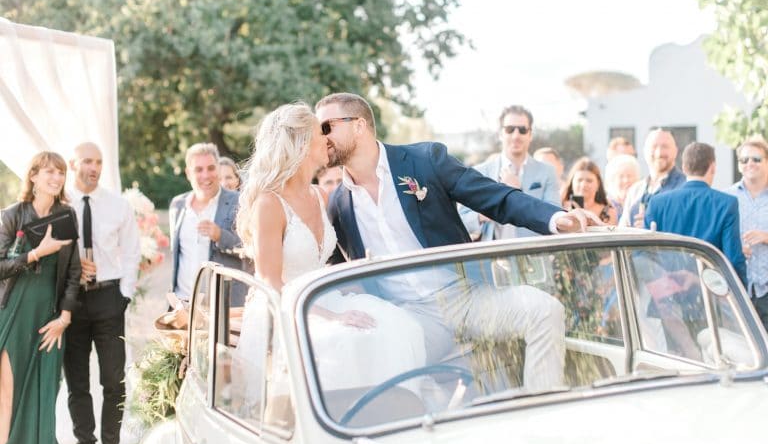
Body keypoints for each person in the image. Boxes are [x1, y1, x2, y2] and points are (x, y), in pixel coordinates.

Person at [318, 92, 601, 391]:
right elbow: (336, 272)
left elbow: (495, 197)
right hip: (408, 317)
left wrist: (555, 219)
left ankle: (541, 412)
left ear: (359, 125)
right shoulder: (338, 203)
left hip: (465, 297)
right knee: (385, 360)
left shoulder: (424, 160)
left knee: (545, 310)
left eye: (326, 127)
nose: (321, 137)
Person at [235, 102, 426, 391]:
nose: (327, 138)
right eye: (320, 131)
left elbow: (329, 263)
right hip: (287, 309)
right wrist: (332, 317)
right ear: (300, 144)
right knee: (342, 340)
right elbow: (271, 283)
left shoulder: (321, 196)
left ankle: (392, 411)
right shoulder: (269, 204)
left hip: (325, 296)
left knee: (399, 325)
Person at [0, 151, 80, 444]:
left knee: (45, 391)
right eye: (49, 172)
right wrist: (36, 253)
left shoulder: (66, 216)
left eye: (61, 173)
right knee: (8, 392)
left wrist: (65, 318)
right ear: (33, 176)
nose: (57, 178)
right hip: (14, 314)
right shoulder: (12, 215)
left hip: (49, 316)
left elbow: (73, 273)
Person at [64, 142, 141, 444]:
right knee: (77, 381)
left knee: (113, 380)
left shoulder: (117, 205)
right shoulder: (60, 204)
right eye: (86, 161)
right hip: (70, 302)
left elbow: (132, 252)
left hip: (109, 298)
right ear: (73, 164)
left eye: (98, 162)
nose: (93, 168)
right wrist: (71, 267)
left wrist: (124, 295)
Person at [645, 142, 746, 283]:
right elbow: (733, 259)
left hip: (668, 291)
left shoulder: (657, 202)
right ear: (712, 167)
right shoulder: (727, 203)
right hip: (709, 293)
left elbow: (646, 256)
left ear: (684, 168)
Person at [460, 105, 561, 240]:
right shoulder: (480, 172)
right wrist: (488, 211)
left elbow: (554, 216)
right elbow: (461, 220)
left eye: (522, 130)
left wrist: (517, 193)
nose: (516, 135)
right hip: (492, 256)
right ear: (501, 134)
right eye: (510, 129)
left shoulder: (547, 171)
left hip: (534, 254)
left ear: (530, 134)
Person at [170, 143, 243, 302]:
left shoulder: (239, 202)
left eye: (211, 168)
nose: (206, 175)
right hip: (183, 302)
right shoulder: (178, 205)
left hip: (221, 306)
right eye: (198, 169)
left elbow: (251, 249)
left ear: (218, 168)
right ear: (188, 173)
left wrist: (220, 235)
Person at [725, 136, 768, 328]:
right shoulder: (726, 197)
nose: (750, 163)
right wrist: (735, 248)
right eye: (744, 160)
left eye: (756, 159)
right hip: (737, 288)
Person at [619, 129, 686, 228]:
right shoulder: (635, 190)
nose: (659, 153)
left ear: (675, 151)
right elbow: (623, 229)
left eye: (665, 146)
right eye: (654, 146)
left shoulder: (684, 187)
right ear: (644, 151)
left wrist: (653, 226)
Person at [561, 157, 618, 225]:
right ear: (572, 183)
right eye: (579, 180)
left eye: (589, 181)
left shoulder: (609, 212)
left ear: (598, 184)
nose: (583, 185)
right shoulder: (560, 207)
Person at [604, 154, 641, 220]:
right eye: (621, 176)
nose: (626, 180)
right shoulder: (605, 205)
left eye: (629, 176)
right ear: (612, 180)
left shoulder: (642, 203)